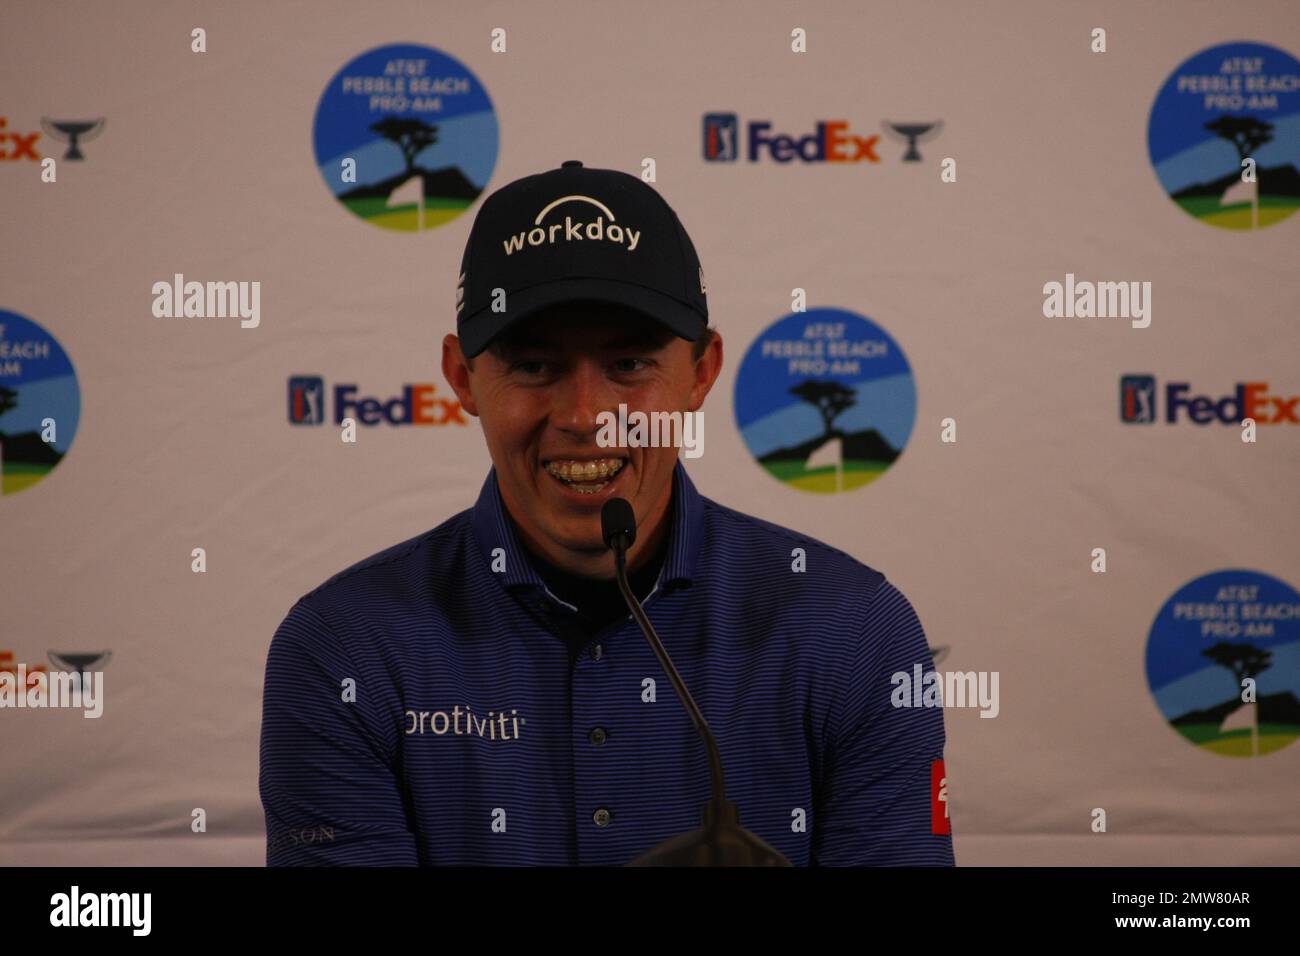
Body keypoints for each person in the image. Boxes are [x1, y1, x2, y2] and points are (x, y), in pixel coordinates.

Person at [259, 160, 954, 866]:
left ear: (703, 373)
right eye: (534, 366)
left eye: (628, 365)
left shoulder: (856, 632)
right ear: (463, 379)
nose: (586, 417)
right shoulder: (342, 649)